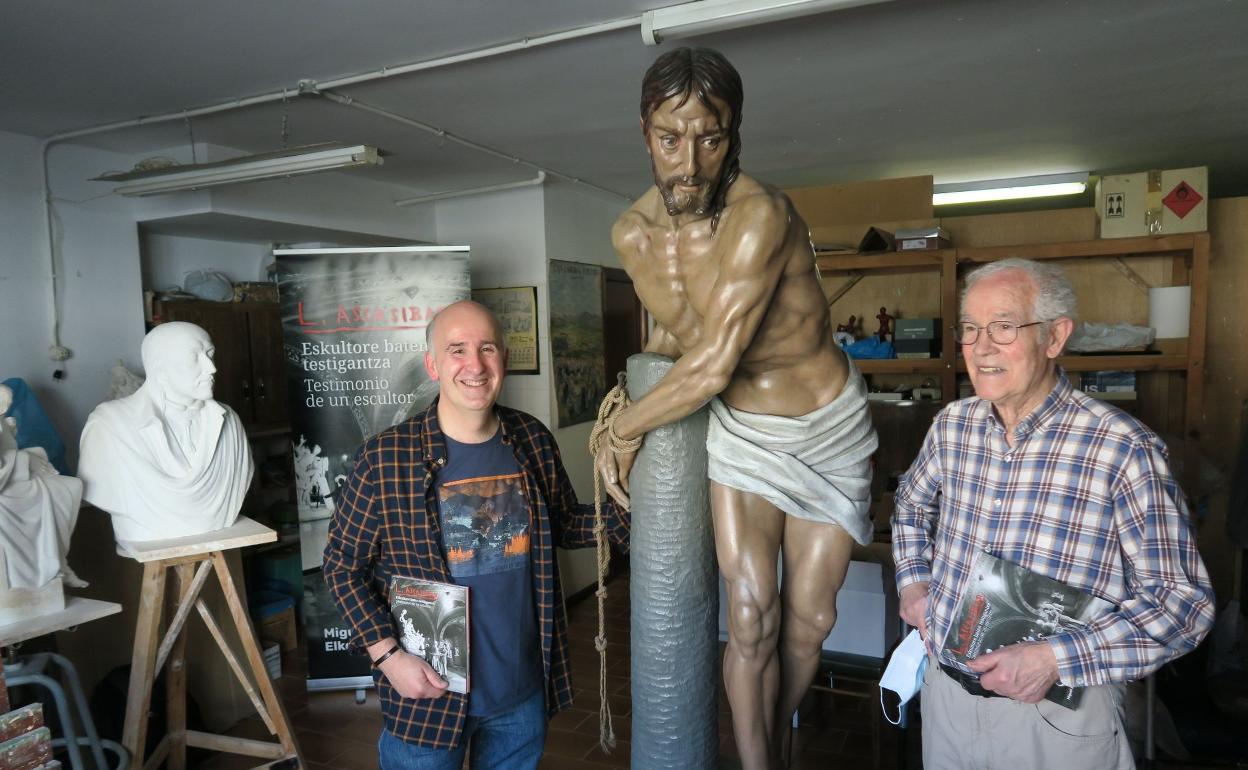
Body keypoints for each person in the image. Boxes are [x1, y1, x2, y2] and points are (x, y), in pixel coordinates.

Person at [596, 47, 877, 768]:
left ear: (734, 134)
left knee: (811, 620)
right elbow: (674, 335)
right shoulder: (631, 234)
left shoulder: (761, 216)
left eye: (711, 139)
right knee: (749, 615)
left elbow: (715, 361)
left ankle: (773, 745)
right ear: (644, 132)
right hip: (742, 431)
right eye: (670, 139)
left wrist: (619, 432)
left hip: (826, 426)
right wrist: (632, 397)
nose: (689, 164)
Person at [892, 258, 1214, 769]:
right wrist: (913, 584)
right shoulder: (952, 426)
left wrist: (1054, 659)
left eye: (1003, 327)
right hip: (947, 697)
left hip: (1055, 714)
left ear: (1055, 337)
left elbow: (1182, 604)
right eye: (970, 329)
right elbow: (909, 505)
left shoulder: (1121, 448)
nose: (980, 347)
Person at [323, 301, 628, 770]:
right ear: (432, 365)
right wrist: (388, 658)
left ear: (503, 358)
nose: (475, 365)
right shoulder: (384, 458)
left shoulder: (532, 439)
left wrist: (642, 512)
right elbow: (342, 565)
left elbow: (564, 522)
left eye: (487, 348)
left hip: (520, 691)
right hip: (428, 694)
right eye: (457, 350)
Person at [78, 322, 253, 544]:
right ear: (159, 369)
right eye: (194, 358)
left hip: (219, 525)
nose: (211, 368)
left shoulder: (229, 420)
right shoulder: (109, 425)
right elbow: (98, 487)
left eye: (210, 354)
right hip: (143, 534)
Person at [0, 383, 85, 592]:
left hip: (14, 479)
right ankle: (54, 567)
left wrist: (28, 455)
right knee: (51, 492)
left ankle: (59, 561)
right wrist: (25, 459)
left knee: (71, 487)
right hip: (7, 484)